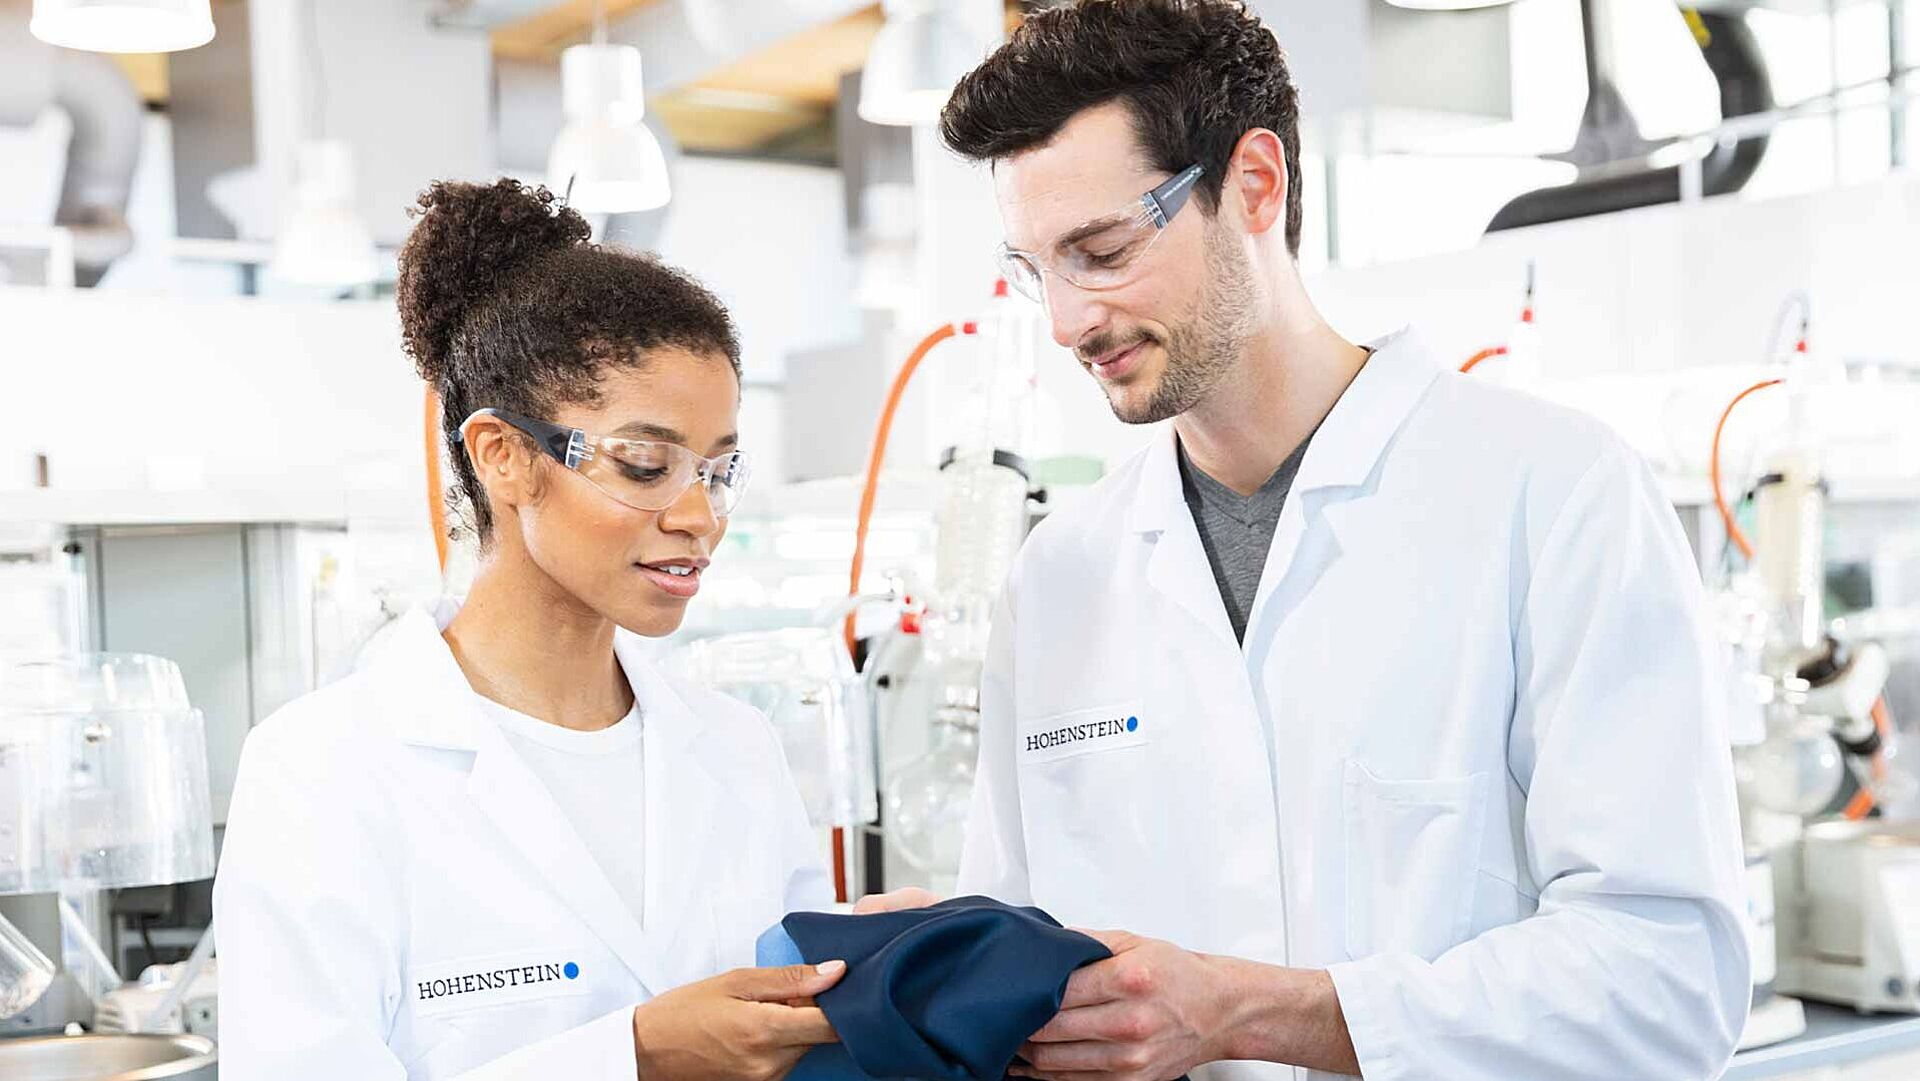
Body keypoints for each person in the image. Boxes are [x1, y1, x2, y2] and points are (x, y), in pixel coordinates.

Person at [859, 3, 1750, 1079]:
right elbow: (1028, 949)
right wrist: (949, 970)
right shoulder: (1058, 578)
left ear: (1254, 185)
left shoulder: (1552, 493)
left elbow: (1668, 979)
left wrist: (1250, 1013)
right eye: (1034, 268)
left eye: (1099, 252)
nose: (1065, 320)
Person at [213, 179, 845, 1080]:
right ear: (504, 456)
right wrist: (635, 1054)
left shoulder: (737, 748)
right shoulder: (324, 769)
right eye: (646, 463)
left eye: (718, 469)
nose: (700, 516)